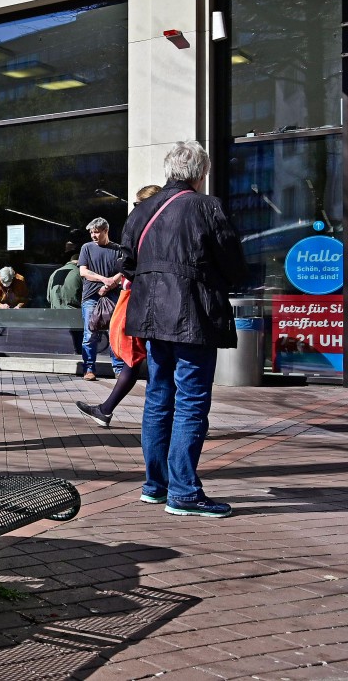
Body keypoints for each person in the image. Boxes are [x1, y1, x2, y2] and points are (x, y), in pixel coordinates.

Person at [122, 142, 248, 518]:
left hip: (151, 316)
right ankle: (183, 492)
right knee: (191, 399)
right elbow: (233, 264)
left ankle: (155, 485)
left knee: (159, 396)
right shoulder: (206, 207)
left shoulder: (142, 210)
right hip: (192, 314)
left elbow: (126, 262)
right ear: (200, 172)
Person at [76, 186, 163, 427]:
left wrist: (116, 281)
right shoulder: (88, 248)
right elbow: (89, 270)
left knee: (139, 357)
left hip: (139, 297)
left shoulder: (142, 228)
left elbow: (128, 265)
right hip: (139, 297)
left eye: (137, 205)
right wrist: (110, 280)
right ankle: (99, 393)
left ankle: (182, 421)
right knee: (128, 353)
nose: (94, 235)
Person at [78, 217, 126, 381]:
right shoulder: (87, 248)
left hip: (113, 297)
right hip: (91, 297)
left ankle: (118, 368)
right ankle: (89, 368)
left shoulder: (118, 249)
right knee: (90, 333)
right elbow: (83, 272)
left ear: (106, 231)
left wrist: (111, 283)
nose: (93, 235)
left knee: (114, 332)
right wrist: (104, 280)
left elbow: (124, 271)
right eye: (91, 232)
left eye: (96, 232)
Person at [47, 244, 83, 310]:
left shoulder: (54, 273)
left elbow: (49, 298)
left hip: (56, 315)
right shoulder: (81, 273)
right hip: (75, 315)